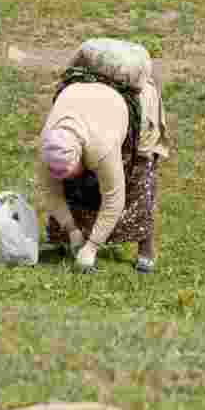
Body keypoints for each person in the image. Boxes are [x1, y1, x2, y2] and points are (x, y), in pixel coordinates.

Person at [37, 54, 167, 274]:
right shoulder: (48, 145)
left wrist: (92, 248)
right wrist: (72, 231)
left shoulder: (101, 148)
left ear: (79, 156)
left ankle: (145, 249)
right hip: (88, 107)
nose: (64, 177)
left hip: (138, 105)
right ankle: (70, 239)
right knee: (72, 189)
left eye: (69, 171)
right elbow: (51, 192)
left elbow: (114, 199)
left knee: (137, 178)